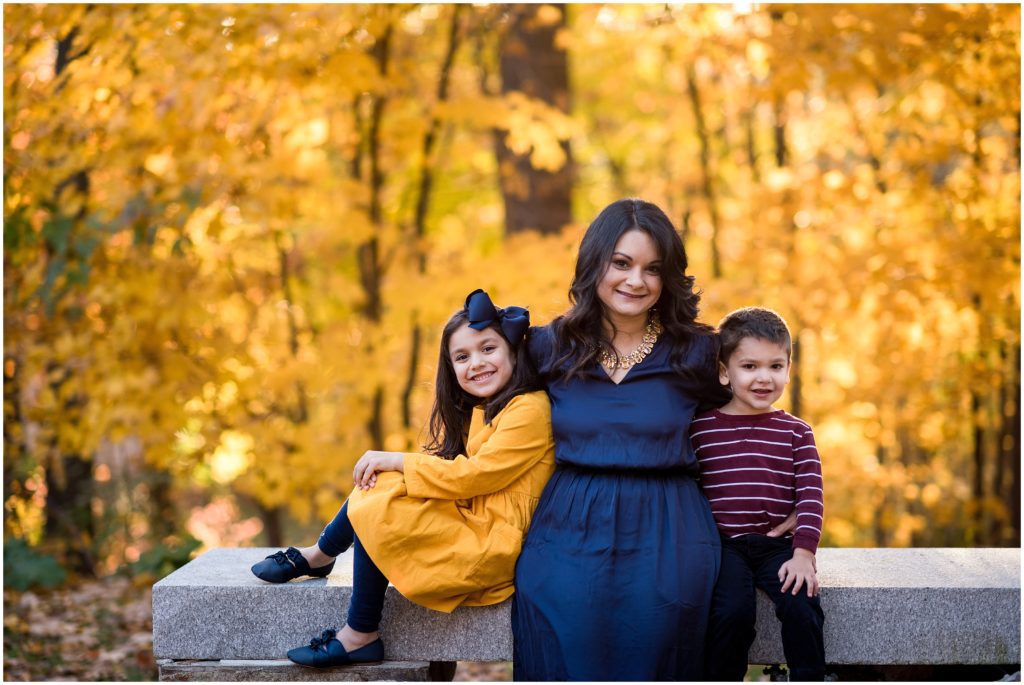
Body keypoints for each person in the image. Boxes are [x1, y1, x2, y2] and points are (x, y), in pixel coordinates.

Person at [251, 289, 556, 668]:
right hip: (476, 526)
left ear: (513, 350)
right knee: (384, 487)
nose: (476, 363)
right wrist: (396, 468)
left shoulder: (530, 410)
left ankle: (355, 625)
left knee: (385, 497)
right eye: (462, 357)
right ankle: (322, 556)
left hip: (493, 546)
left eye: (488, 349)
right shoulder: (491, 410)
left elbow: (475, 477)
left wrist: (397, 460)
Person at [511, 198, 732, 681]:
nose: (636, 281)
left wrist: (792, 503)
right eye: (622, 263)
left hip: (668, 529)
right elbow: (497, 422)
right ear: (595, 263)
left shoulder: (697, 351)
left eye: (653, 269)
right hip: (568, 525)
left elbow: (749, 426)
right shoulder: (548, 346)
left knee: (659, 656)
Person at [689, 306, 826, 681]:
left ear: (787, 368)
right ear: (724, 372)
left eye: (775, 366)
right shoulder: (701, 430)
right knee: (731, 613)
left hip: (777, 548)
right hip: (725, 548)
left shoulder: (797, 432)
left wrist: (803, 554)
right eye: (749, 366)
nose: (764, 378)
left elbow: (811, 495)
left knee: (802, 607)